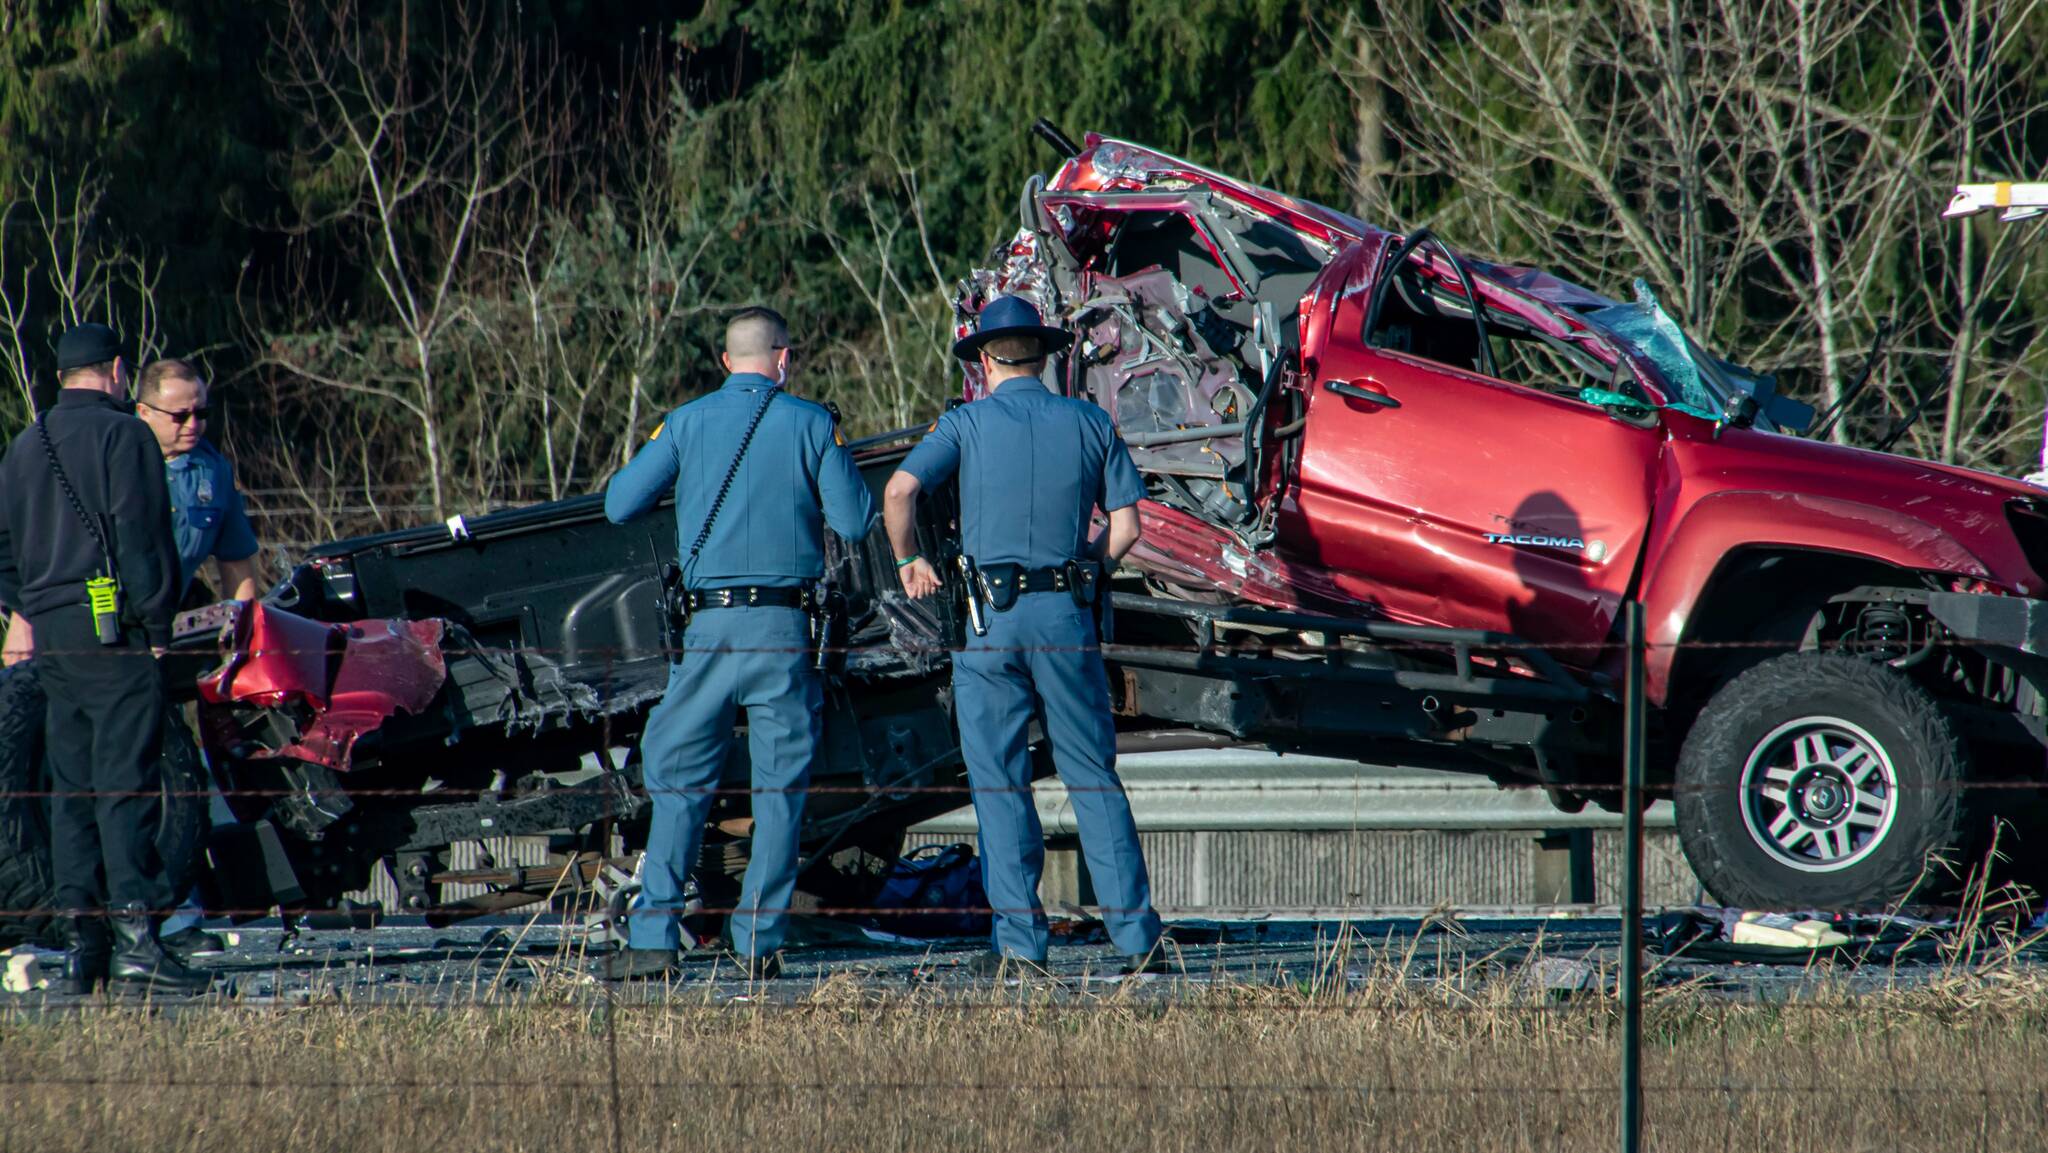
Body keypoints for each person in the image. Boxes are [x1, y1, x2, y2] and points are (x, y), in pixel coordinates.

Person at [885, 294, 1166, 978]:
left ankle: (1021, 947)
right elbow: (1127, 525)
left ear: (984, 359)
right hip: (1065, 615)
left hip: (990, 623)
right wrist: (1087, 571)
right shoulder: (1090, 420)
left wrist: (909, 560)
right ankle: (1136, 940)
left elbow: (898, 492)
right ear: (1044, 356)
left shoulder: (966, 424)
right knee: (1093, 775)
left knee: (1000, 782)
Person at [601, 307, 874, 981]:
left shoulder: (687, 422)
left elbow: (619, 503)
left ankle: (656, 936)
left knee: (679, 778)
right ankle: (757, 940)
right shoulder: (812, 422)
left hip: (710, 632)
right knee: (780, 789)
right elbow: (857, 519)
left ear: (727, 362)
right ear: (785, 359)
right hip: (784, 632)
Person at [0, 323, 211, 995]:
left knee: (70, 786)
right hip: (114, 627)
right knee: (125, 783)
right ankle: (138, 940)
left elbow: (2, 548)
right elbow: (142, 536)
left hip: (54, 630)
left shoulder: (23, 448)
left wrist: (30, 601)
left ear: (60, 375)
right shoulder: (126, 436)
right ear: (117, 370)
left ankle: (79, 940)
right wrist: (155, 623)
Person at [134, 357, 261, 955]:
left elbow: (236, 561)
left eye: (201, 412)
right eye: (179, 413)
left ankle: (185, 914)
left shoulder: (212, 471)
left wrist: (243, 622)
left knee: (183, 776)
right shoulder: (118, 462)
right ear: (143, 411)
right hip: (108, 634)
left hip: (166, 635)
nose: (193, 424)